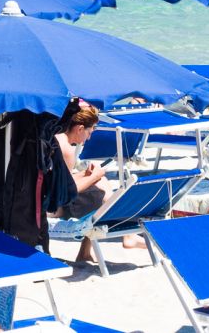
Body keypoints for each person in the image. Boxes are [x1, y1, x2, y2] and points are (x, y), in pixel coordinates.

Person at [44, 99, 147, 264]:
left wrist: (87, 174)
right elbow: (66, 192)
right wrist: (93, 176)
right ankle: (127, 236)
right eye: (89, 132)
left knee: (101, 182)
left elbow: (61, 180)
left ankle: (87, 252)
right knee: (103, 191)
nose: (89, 138)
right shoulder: (67, 150)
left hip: (48, 198)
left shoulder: (56, 138)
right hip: (54, 207)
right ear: (79, 128)